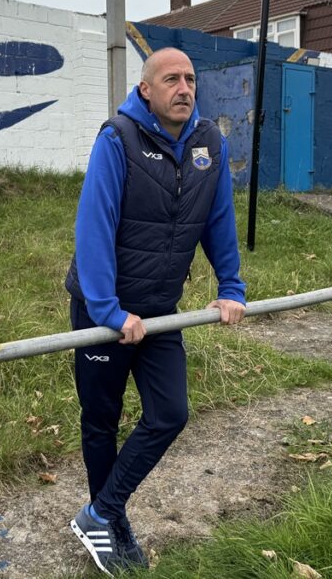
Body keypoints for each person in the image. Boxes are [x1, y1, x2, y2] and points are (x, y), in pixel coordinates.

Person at [64, 47, 247, 575]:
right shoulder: (117, 139)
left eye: (190, 79)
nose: (184, 88)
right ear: (146, 89)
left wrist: (231, 286)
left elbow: (219, 221)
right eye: (171, 79)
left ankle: (101, 512)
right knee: (101, 419)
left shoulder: (208, 144)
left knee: (170, 413)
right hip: (104, 310)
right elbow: (93, 226)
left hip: (160, 309)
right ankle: (111, 524)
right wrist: (107, 311)